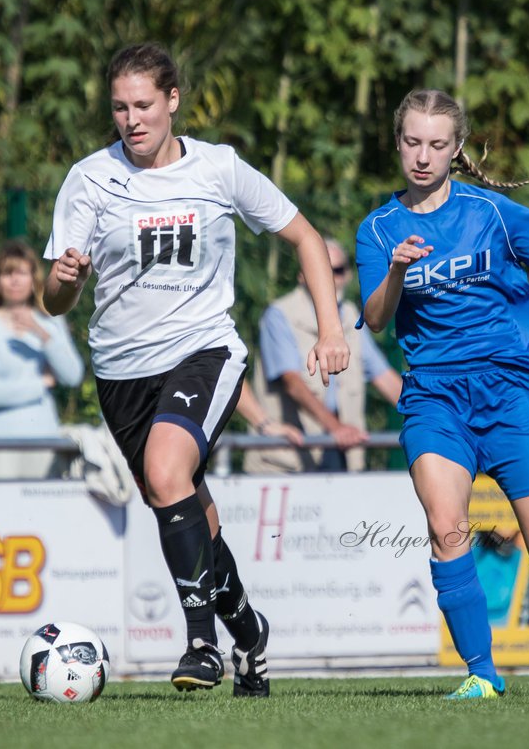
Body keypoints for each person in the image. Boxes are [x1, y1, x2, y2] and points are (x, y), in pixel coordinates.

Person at [44, 42, 350, 696]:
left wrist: (329, 328)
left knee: (164, 472)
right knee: (187, 513)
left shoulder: (219, 169)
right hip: (122, 374)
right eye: (120, 107)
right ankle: (250, 636)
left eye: (145, 105)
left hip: (204, 352)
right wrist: (65, 280)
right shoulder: (90, 179)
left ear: (173, 100)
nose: (132, 119)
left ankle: (201, 646)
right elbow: (55, 298)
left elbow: (303, 236)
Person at [356, 88, 529, 700]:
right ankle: (482, 674)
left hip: (513, 394)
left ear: (455, 150)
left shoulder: (491, 213)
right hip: (435, 398)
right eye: (412, 142)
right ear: (397, 143)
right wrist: (396, 269)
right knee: (446, 525)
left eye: (437, 144)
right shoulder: (377, 229)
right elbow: (375, 319)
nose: (422, 156)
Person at [246, 237, 403, 473]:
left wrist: (434, 419)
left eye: (337, 270)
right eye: (321, 270)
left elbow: (386, 380)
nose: (329, 278)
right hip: (287, 461)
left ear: (348, 275)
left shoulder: (351, 316)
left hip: (341, 454)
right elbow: (292, 383)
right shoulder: (279, 316)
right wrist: (336, 428)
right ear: (302, 275)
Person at [0, 240, 84, 479]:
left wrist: (42, 334)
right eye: (8, 273)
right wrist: (42, 384)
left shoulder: (51, 321)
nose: (15, 280)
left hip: (44, 440)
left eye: (22, 273)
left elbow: (73, 376)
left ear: (33, 279)